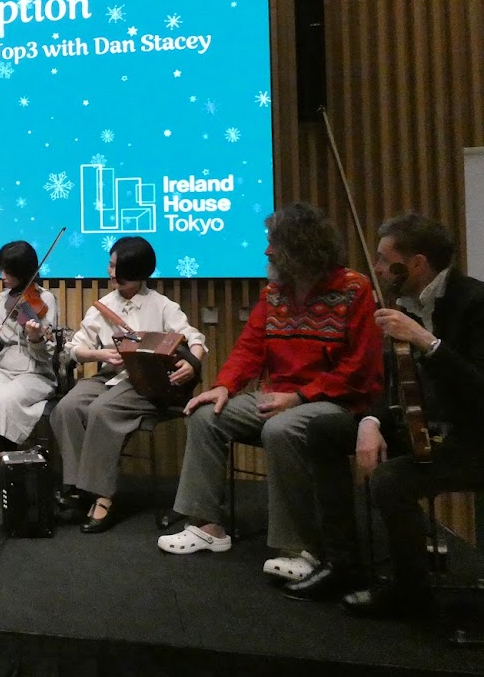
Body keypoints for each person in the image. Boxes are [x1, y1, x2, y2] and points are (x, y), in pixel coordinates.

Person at [158, 203, 383, 596]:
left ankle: (300, 548)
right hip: (277, 395)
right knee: (206, 414)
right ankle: (208, 527)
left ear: (302, 247)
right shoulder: (274, 292)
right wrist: (225, 385)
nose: (267, 252)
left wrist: (299, 397)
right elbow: (250, 347)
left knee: (281, 429)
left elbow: (359, 367)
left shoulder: (355, 289)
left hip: (335, 403)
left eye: (274, 244)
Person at [341, 214, 484, 618]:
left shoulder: (475, 302)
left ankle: (412, 591)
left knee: (391, 478)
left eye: (386, 260)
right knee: (366, 459)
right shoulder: (402, 306)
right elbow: (390, 383)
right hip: (438, 432)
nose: (380, 269)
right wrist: (370, 423)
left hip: (478, 438)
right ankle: (375, 575)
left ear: (417, 263)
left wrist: (425, 340)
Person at [50, 236, 206, 533]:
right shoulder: (103, 306)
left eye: (115, 267)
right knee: (67, 407)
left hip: (148, 382)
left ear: (137, 271)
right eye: (110, 264)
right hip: (111, 374)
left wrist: (193, 363)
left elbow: (194, 339)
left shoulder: (162, 306)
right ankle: (79, 487)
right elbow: (76, 348)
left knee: (101, 410)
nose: (110, 272)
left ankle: (103, 496)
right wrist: (100, 353)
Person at [0, 240, 60, 447]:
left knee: (4, 400)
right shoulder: (3, 299)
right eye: (1, 270)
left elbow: (46, 353)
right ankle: (1, 462)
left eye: (8, 272)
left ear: (24, 271)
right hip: (2, 369)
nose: (2, 277)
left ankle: (11, 462)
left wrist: (34, 337)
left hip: (35, 372)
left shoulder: (45, 299)